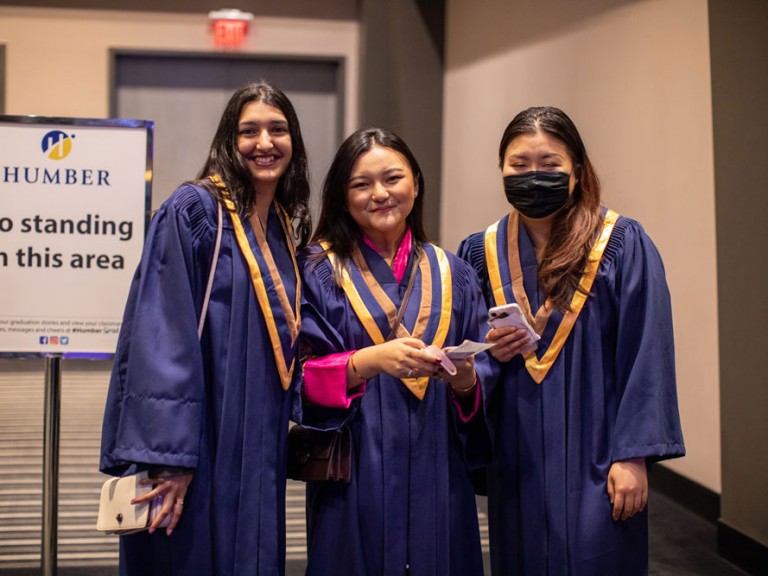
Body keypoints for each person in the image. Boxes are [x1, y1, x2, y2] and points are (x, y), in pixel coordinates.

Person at [458, 106, 685, 575]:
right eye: (519, 165)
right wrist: (488, 356)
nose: (533, 176)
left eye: (550, 165)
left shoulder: (621, 244)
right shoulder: (480, 253)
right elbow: (468, 351)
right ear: (501, 170)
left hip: (598, 451)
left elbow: (648, 353)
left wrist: (634, 456)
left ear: (577, 173)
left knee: (596, 557)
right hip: (516, 451)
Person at [99, 80, 311, 576]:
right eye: (249, 131)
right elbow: (159, 335)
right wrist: (169, 457)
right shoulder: (194, 211)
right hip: (202, 434)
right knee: (191, 553)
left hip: (258, 430)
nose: (265, 143)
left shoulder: (282, 223)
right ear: (227, 141)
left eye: (278, 129)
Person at [297, 127, 494, 576]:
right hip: (356, 467)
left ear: (416, 183)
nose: (380, 194)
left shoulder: (455, 274)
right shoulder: (318, 272)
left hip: (439, 465)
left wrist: (466, 382)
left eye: (393, 178)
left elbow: (485, 377)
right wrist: (366, 362)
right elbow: (293, 374)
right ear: (342, 195)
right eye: (361, 184)